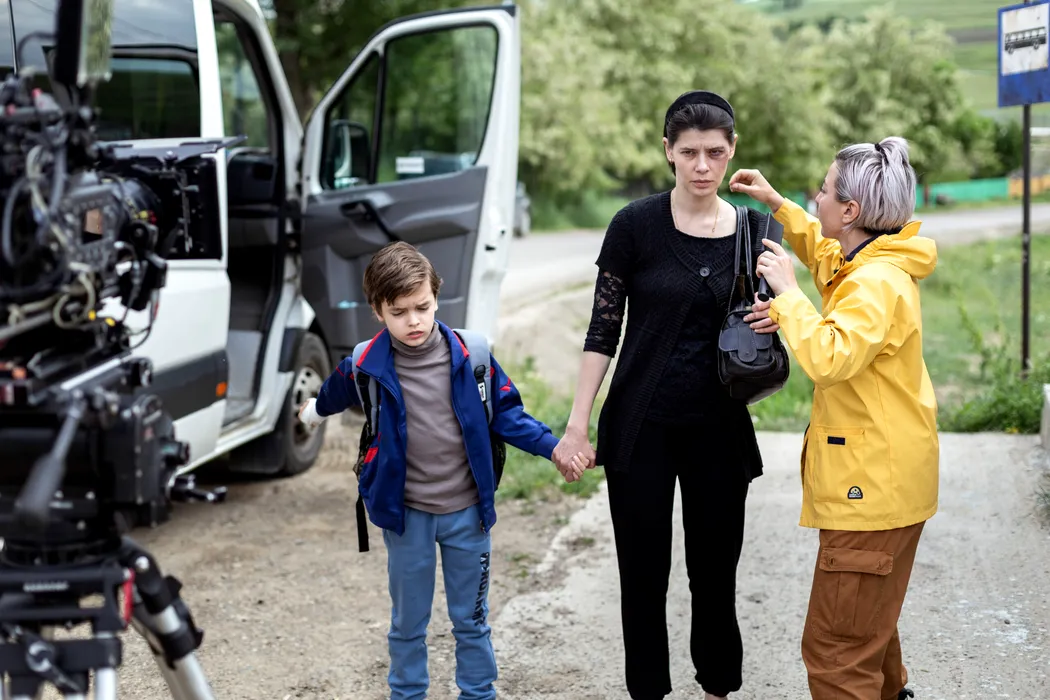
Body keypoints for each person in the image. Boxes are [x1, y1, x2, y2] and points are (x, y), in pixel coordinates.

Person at [556, 90, 780, 700]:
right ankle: (649, 692)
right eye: (689, 153)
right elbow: (602, 331)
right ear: (667, 152)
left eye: (715, 153)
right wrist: (577, 425)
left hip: (719, 430)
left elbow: (783, 311)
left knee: (715, 576)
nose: (702, 166)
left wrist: (778, 313)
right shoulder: (634, 225)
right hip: (640, 429)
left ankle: (717, 688)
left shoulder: (758, 229)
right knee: (642, 578)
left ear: (732, 150)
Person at [297, 241, 582, 700]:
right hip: (406, 515)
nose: (413, 321)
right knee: (408, 623)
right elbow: (335, 391)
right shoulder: (366, 364)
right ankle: (408, 693)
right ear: (378, 311)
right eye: (399, 312)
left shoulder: (473, 356)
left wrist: (554, 449)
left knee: (471, 619)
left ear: (436, 298)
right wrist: (313, 411)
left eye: (422, 307)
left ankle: (478, 693)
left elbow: (508, 415)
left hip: (467, 513)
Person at [729, 137, 938, 700]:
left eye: (822, 191)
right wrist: (778, 205)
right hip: (888, 484)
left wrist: (787, 296)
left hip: (870, 492)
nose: (815, 198)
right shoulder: (870, 263)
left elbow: (830, 357)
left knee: (838, 653)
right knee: (869, 625)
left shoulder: (874, 283)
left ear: (850, 210)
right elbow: (826, 258)